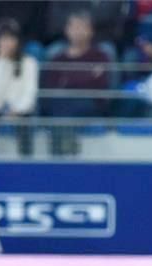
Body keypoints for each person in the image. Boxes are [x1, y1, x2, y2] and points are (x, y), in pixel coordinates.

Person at [41, 10, 113, 156]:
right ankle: (67, 150)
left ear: (91, 31)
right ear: (67, 30)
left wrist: (68, 80)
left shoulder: (100, 56)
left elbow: (100, 88)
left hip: (89, 103)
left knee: (65, 106)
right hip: (62, 103)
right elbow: (50, 90)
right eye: (74, 27)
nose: (78, 31)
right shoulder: (58, 59)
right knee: (60, 104)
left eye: (82, 27)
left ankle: (58, 155)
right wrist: (87, 77)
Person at [0, 17, 38, 156]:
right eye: (3, 39)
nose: (7, 43)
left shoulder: (29, 62)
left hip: (21, 109)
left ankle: (26, 160)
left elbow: (30, 93)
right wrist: (2, 62)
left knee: (25, 121)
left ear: (18, 40)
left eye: (10, 38)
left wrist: (17, 109)